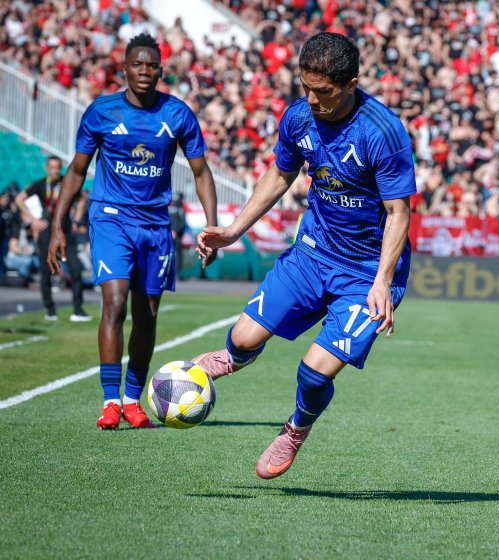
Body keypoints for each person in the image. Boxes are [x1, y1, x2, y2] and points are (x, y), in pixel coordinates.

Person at [192, 32, 415, 480]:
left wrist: (382, 282)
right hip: (312, 254)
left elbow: (399, 212)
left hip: (366, 273)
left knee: (314, 372)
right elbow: (280, 175)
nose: (312, 100)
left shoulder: (382, 132)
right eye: (305, 87)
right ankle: (235, 357)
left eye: (323, 91)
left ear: (350, 84)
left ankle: (295, 429)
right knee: (243, 338)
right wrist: (233, 230)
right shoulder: (298, 118)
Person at [47, 33, 219, 430]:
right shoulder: (102, 112)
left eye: (151, 65)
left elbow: (201, 172)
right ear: (123, 68)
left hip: (155, 224)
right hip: (111, 217)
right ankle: (111, 402)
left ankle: (132, 400)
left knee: (147, 313)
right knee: (115, 302)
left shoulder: (177, 114)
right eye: (137, 64)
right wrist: (58, 226)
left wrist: (211, 227)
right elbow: (76, 170)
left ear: (160, 71)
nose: (144, 71)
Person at [15, 156, 90, 320]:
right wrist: (34, 220)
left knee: (76, 269)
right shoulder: (41, 184)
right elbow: (19, 199)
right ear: (47, 168)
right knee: (46, 271)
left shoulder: (67, 182)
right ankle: (50, 310)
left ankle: (78, 310)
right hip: (47, 232)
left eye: (58, 167)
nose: (55, 171)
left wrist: (77, 219)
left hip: (66, 231)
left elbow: (82, 199)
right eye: (52, 167)